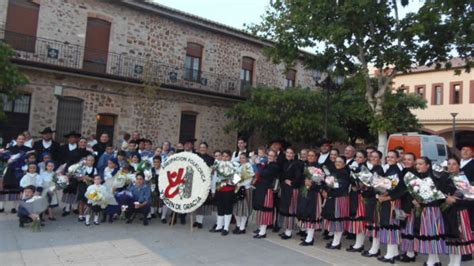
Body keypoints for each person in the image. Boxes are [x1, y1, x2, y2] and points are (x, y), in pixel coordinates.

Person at [414, 157, 450, 266]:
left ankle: (431, 261)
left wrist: (419, 201)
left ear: (428, 165)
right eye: (417, 164)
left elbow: (435, 197)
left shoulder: (431, 177)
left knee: (431, 234)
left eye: (420, 164)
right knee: (432, 234)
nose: (418, 166)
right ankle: (436, 260)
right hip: (428, 209)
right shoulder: (424, 176)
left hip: (431, 210)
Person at [376, 150, 405, 263]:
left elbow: (400, 190)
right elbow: (388, 186)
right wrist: (382, 192)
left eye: (392, 157)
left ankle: (390, 255)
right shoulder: (390, 169)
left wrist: (388, 197)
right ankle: (395, 253)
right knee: (389, 225)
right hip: (388, 201)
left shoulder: (396, 171)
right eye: (388, 157)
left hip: (392, 202)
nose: (389, 159)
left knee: (391, 226)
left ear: (398, 159)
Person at [445, 157, 473, 266]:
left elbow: (470, 200)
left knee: (458, 240)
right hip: (448, 212)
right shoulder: (445, 178)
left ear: (459, 166)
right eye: (449, 164)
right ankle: (451, 263)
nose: (451, 166)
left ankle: (456, 264)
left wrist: (454, 201)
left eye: (454, 164)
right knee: (451, 239)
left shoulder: (463, 179)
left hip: (460, 212)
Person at [321, 155, 350, 249]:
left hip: (340, 198)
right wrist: (325, 190)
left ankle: (336, 243)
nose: (337, 163)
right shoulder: (334, 172)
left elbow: (341, 187)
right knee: (334, 219)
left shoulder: (345, 173)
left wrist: (330, 190)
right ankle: (335, 241)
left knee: (338, 220)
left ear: (344, 164)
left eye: (340, 162)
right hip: (333, 197)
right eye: (336, 161)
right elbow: (328, 184)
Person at [296, 149, 323, 246]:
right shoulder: (304, 166)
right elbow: (299, 178)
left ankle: (310, 238)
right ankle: (307, 234)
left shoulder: (319, 167)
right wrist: (304, 182)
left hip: (314, 194)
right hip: (305, 192)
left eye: (312, 156)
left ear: (316, 157)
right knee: (305, 212)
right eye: (309, 155)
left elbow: (322, 183)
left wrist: (312, 184)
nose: (310, 157)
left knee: (312, 214)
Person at [0, 134, 32, 213]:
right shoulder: (9, 149)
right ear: (16, 140)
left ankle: (15, 207)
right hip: (10, 170)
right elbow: (2, 158)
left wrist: (26, 163)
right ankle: (1, 206)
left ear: (25, 140)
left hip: (20, 172)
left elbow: (31, 159)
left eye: (22, 139)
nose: (21, 140)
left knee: (18, 189)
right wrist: (7, 161)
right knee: (5, 188)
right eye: (19, 139)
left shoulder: (28, 150)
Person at [362, 150, 385, 258]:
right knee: (373, 223)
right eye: (372, 156)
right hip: (371, 198)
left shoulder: (379, 170)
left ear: (380, 159)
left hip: (376, 199)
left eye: (376, 157)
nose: (373, 158)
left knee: (376, 224)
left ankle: (375, 249)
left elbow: (379, 186)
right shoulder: (372, 169)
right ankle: (374, 248)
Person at [253, 150, 280, 238]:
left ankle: (263, 232)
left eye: (272, 155)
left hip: (267, 190)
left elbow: (263, 173)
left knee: (265, 210)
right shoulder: (267, 164)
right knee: (261, 209)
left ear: (275, 157)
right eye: (269, 155)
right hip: (261, 189)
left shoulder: (274, 166)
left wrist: (258, 164)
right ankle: (261, 229)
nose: (270, 157)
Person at [279, 147, 304, 240]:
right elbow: (282, 176)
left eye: (291, 153)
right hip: (286, 189)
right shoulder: (285, 163)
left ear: (294, 154)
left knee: (291, 211)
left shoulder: (297, 164)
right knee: (286, 210)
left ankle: (289, 232)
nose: (289, 154)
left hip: (293, 190)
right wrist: (285, 180)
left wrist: (292, 182)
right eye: (287, 152)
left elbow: (299, 177)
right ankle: (286, 230)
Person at [346, 150, 368, 252]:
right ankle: (357, 243)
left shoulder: (365, 169)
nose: (358, 159)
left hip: (362, 196)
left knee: (360, 219)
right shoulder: (355, 168)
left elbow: (367, 183)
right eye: (357, 157)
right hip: (355, 195)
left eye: (360, 157)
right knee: (356, 218)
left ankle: (359, 244)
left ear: (365, 158)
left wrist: (359, 186)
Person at [209, 150, 235, 235]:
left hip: (228, 190)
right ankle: (219, 226)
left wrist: (229, 181)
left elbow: (238, 178)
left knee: (227, 208)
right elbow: (213, 176)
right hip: (219, 189)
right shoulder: (218, 164)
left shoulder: (233, 165)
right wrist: (212, 170)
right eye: (223, 156)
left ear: (230, 157)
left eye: (226, 156)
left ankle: (226, 228)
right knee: (220, 208)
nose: (224, 158)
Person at [399, 152, 417, 262]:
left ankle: (410, 254)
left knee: (409, 229)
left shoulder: (413, 173)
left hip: (409, 205)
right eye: (405, 159)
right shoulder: (403, 171)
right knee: (405, 228)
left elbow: (412, 193)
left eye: (409, 159)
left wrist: (408, 208)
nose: (406, 161)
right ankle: (407, 251)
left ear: (414, 161)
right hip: (403, 202)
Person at [232, 152, 255, 234]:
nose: (241, 159)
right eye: (240, 158)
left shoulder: (248, 166)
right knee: (237, 209)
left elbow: (249, 179)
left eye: (243, 158)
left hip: (245, 189)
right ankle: (238, 225)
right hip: (238, 188)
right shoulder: (239, 166)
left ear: (247, 159)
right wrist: (235, 182)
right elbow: (235, 178)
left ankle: (242, 227)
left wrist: (240, 184)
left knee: (244, 209)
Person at [194, 142, 215, 228]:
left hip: (205, 183)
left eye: (204, 147)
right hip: (196, 182)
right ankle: (196, 220)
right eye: (201, 147)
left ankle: (200, 221)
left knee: (202, 202)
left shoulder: (210, 159)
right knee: (195, 202)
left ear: (207, 149)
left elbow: (212, 172)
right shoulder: (195, 157)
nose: (202, 149)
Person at [77, 155, 97, 222]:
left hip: (90, 187)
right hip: (82, 186)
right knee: (81, 201)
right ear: (86, 161)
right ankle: (80, 215)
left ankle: (86, 214)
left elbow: (95, 179)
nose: (90, 162)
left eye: (92, 160)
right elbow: (78, 178)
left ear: (93, 161)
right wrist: (82, 178)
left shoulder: (95, 169)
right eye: (88, 160)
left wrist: (89, 178)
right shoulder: (82, 168)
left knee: (88, 201)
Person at [151, 156, 167, 223]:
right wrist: (153, 190)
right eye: (154, 162)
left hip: (162, 186)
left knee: (164, 200)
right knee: (152, 197)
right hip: (154, 185)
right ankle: (152, 213)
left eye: (157, 162)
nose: (156, 163)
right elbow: (149, 179)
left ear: (160, 162)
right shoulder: (151, 169)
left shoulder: (164, 169)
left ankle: (163, 216)